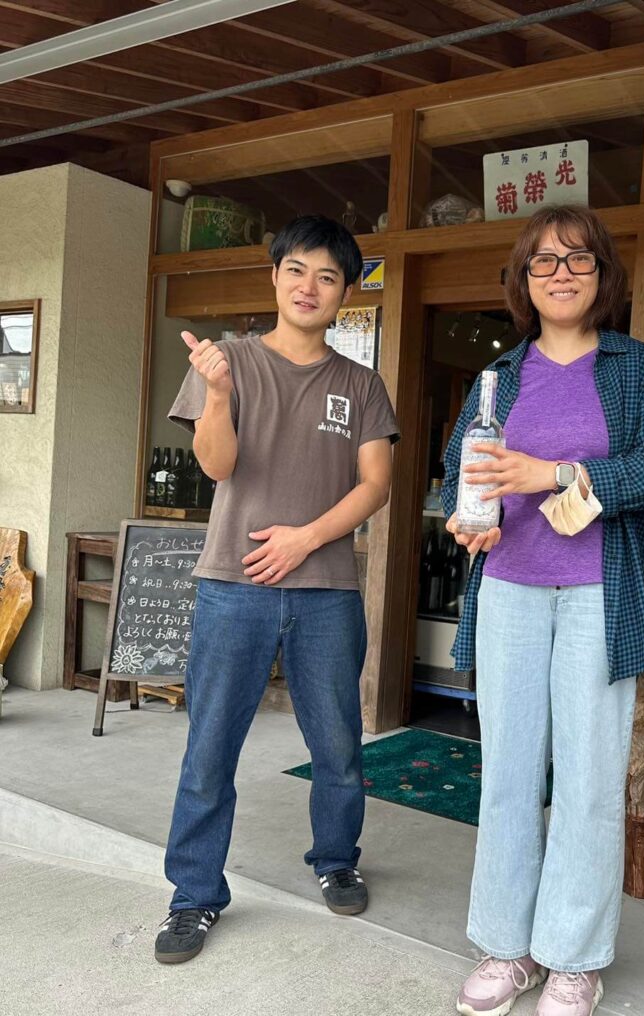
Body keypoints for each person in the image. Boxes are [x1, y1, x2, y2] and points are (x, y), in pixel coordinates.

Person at [443, 206, 644, 1016]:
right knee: (508, 773)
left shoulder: (636, 368)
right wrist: (465, 518)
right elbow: (462, 468)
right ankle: (506, 946)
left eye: (579, 259)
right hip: (509, 588)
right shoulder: (499, 376)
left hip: (596, 595)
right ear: (523, 279)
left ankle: (574, 958)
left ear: (603, 275)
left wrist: (551, 473)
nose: (561, 274)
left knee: (587, 778)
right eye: (543, 261)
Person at [154, 214, 399, 964]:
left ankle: (336, 858)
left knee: (339, 745)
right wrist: (217, 395)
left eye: (328, 276)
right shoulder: (227, 360)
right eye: (297, 270)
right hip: (234, 585)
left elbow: (376, 485)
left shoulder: (360, 383)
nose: (309, 287)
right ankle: (193, 895)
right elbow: (218, 466)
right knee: (209, 748)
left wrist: (304, 538)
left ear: (345, 293)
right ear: (275, 276)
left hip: (326, 589)